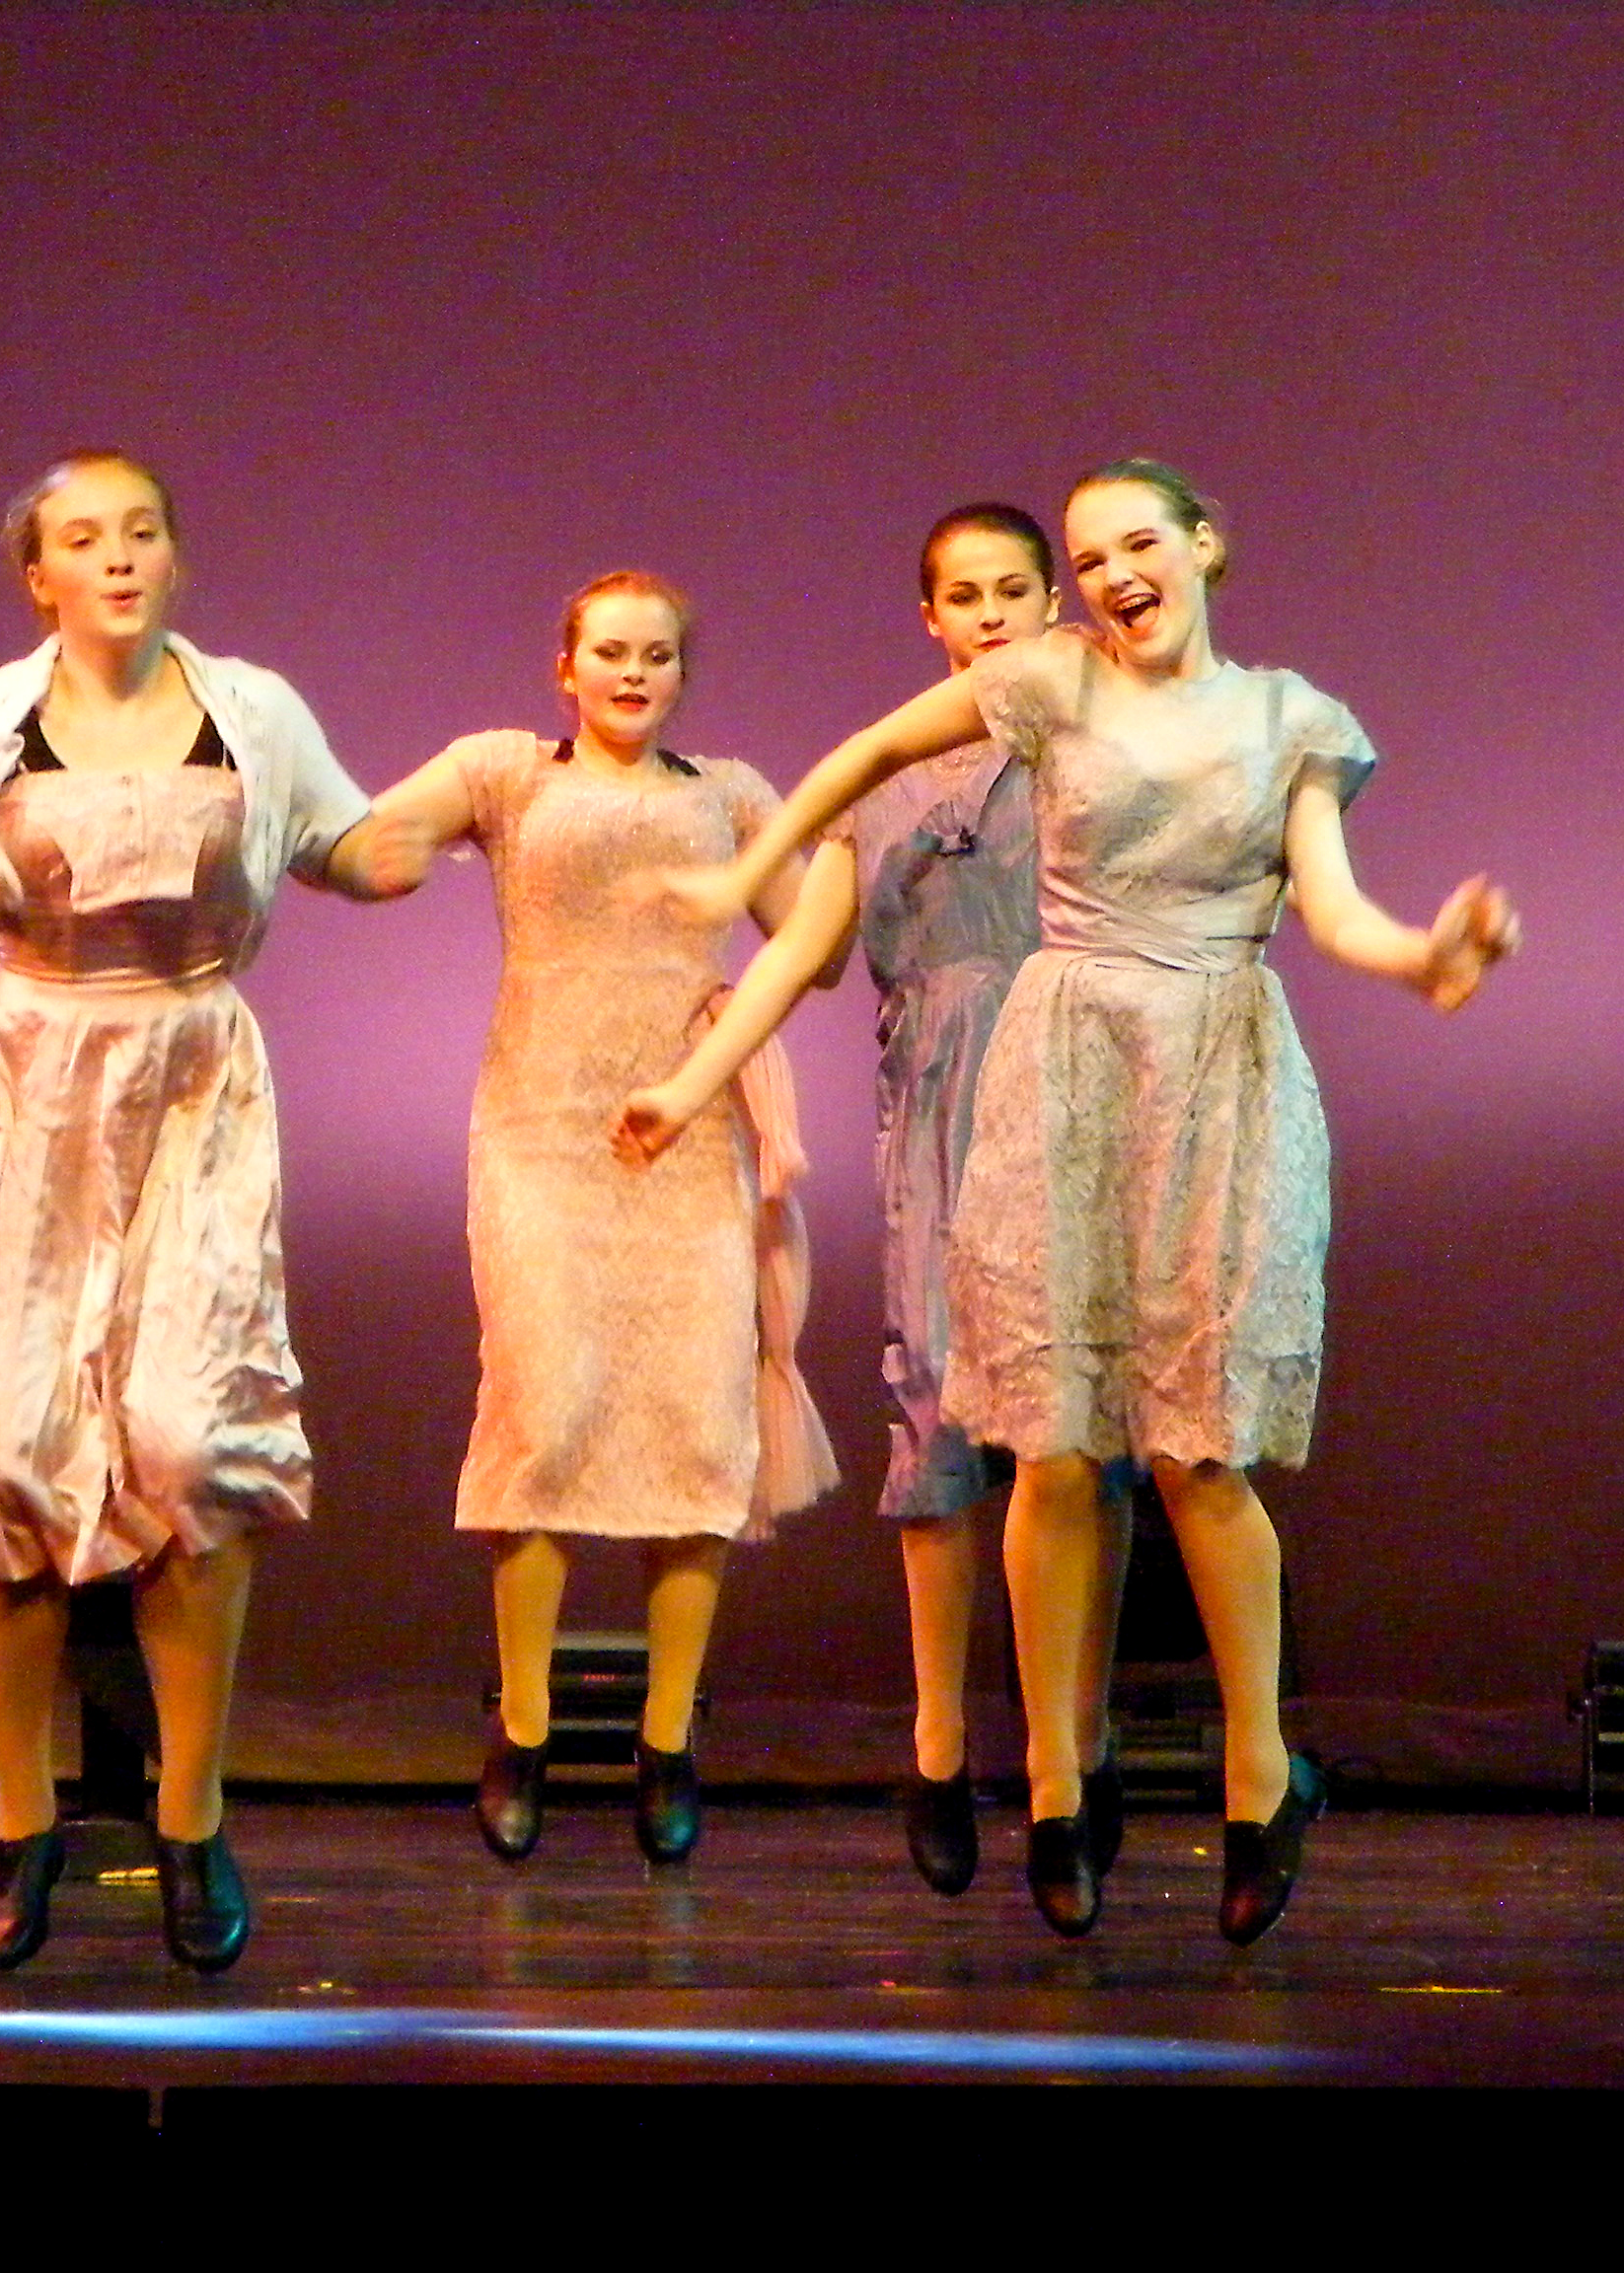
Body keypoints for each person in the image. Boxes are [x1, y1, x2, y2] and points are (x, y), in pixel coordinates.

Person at [622, 461, 1516, 1943]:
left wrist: (1424, 956)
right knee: (1047, 1443)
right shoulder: (1052, 683)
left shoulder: (1289, 719)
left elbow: (1332, 901)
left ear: (1205, 546)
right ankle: (1052, 1781)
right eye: (1089, 558)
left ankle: (1258, 1770)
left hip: (1215, 1064)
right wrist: (744, 877)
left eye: (1135, 545)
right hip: (1064, 1063)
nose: (1111, 576)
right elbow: (866, 752)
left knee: (1197, 1449)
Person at [0, 449, 426, 1972]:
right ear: (38, 576)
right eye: (84, 537)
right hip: (24, 1086)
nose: (116, 556)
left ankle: (191, 1819)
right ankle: (22, 1821)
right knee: (2, 1456)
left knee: (190, 1446)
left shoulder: (252, 710)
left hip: (192, 1079)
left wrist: (430, 831)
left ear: (174, 558)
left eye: (140, 532)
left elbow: (343, 842)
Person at [613, 505, 1131, 1898]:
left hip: (1085, 1095)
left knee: (1084, 1434)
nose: (990, 616)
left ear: (1052, 601)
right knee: (940, 1415)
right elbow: (806, 954)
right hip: (945, 1115)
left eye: (1013, 589)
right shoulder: (888, 774)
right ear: (930, 617)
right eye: (963, 595)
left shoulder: (1103, 749)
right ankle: (939, 1747)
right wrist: (693, 1079)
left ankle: (1072, 1757)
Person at [368, 571, 838, 1866]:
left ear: (683, 670)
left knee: (694, 1420)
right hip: (542, 1131)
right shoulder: (508, 774)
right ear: (564, 666)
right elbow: (365, 841)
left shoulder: (728, 794)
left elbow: (817, 944)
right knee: (543, 1406)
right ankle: (520, 1732)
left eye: (658, 655)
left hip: (685, 1135)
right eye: (612, 652)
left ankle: (667, 1740)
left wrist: (782, 919)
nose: (635, 674)